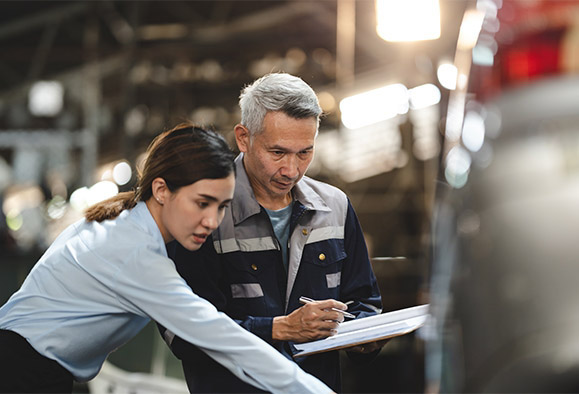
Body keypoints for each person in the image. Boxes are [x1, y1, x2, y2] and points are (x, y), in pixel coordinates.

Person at [0, 124, 332, 394]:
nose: (212, 221)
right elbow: (223, 338)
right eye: (201, 203)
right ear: (162, 190)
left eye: (221, 206)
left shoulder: (120, 223)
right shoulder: (133, 253)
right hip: (20, 374)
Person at [160, 73, 384, 393]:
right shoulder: (203, 213)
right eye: (277, 152)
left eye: (304, 152)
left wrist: (365, 336)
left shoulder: (336, 207)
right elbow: (182, 335)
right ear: (243, 138)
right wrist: (280, 329)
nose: (291, 170)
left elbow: (364, 302)